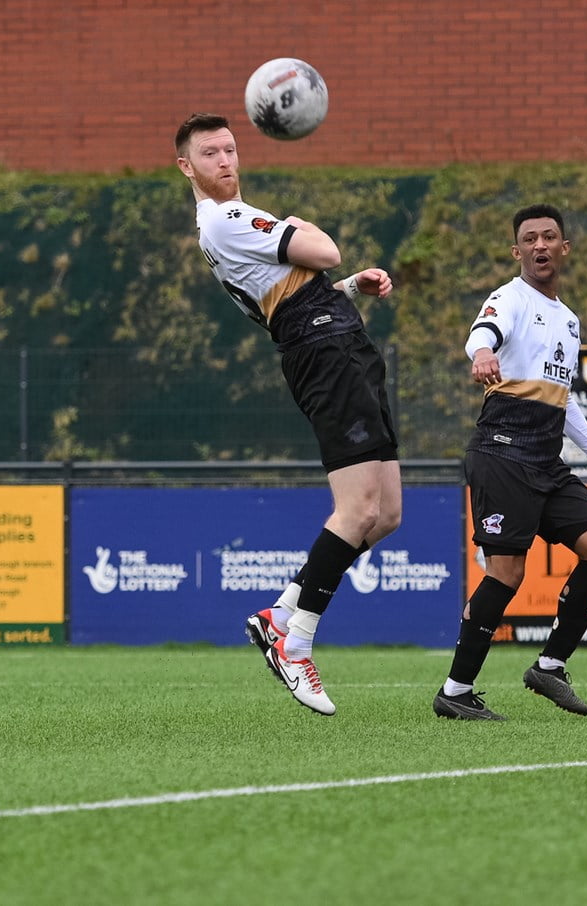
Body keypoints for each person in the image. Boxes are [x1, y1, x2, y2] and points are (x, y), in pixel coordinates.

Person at [175, 113, 401, 716]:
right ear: (186, 167)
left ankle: (281, 615)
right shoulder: (226, 218)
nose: (225, 160)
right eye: (210, 153)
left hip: (335, 335)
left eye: (230, 148)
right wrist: (301, 225)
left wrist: (345, 288)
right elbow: (323, 250)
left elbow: (284, 294)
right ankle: (294, 640)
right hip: (324, 351)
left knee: (386, 515)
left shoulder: (231, 223)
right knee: (358, 510)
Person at [433, 204, 587, 721]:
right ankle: (456, 692)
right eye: (530, 239)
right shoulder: (510, 298)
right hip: (502, 453)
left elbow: (564, 401)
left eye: (549, 237)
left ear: (564, 248)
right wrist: (482, 353)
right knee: (507, 574)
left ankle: (550, 666)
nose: (540, 245)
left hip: (547, 463)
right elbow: (481, 333)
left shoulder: (569, 321)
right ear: (517, 251)